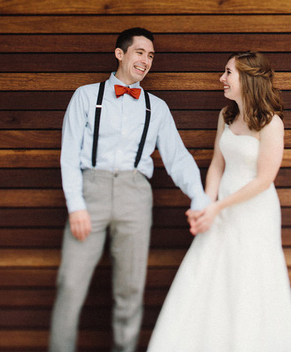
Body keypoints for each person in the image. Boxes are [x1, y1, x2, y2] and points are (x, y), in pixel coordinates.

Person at [49, 27, 210, 352]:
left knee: (130, 290)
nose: (146, 60)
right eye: (140, 52)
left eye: (150, 55)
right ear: (120, 54)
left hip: (135, 196)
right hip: (90, 190)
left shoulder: (157, 107)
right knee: (70, 283)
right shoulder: (85, 95)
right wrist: (76, 204)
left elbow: (178, 157)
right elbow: (68, 155)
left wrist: (200, 197)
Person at [147, 51, 291, 352]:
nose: (222, 78)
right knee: (209, 274)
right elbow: (218, 164)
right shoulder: (226, 115)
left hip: (254, 211)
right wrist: (206, 203)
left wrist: (218, 206)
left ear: (247, 79)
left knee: (249, 278)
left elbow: (264, 179)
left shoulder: (271, 124)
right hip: (220, 209)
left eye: (228, 72)